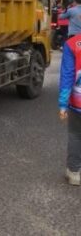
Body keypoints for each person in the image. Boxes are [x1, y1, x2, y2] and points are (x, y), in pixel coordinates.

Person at [58, 33, 81, 185]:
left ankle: (74, 173)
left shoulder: (72, 44)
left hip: (78, 101)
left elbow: (67, 75)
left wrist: (63, 104)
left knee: (76, 135)